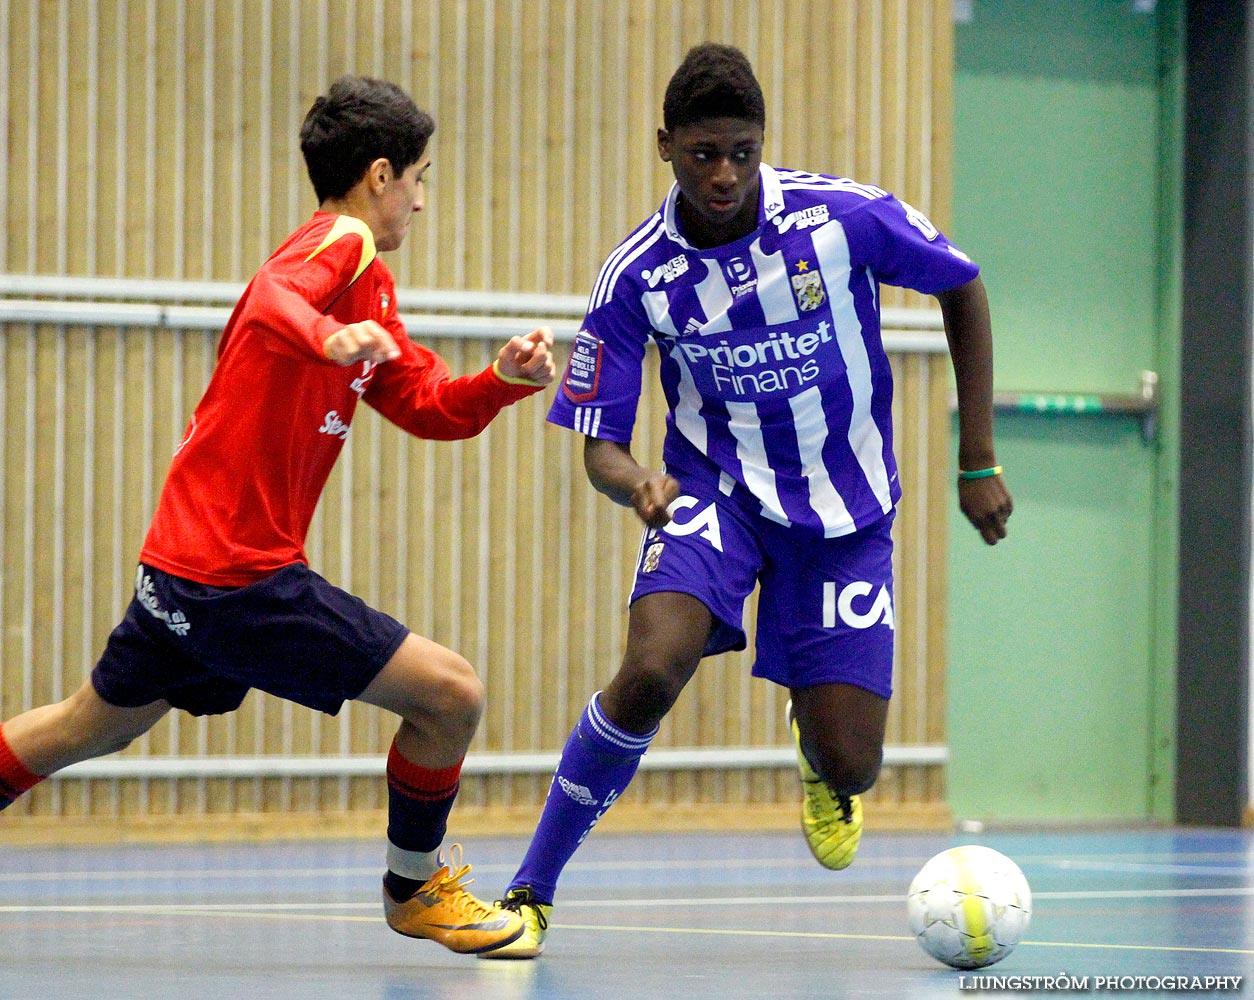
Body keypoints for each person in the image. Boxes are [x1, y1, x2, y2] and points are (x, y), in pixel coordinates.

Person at [0, 75, 555, 957]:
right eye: (419, 176)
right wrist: (322, 339)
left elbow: (425, 404)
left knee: (76, 727)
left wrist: (502, 382)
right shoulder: (340, 242)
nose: (422, 197)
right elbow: (270, 301)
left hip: (180, 571)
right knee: (452, 697)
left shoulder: (371, 293)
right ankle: (415, 891)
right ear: (380, 175)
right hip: (239, 579)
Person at [480, 43, 1013, 959]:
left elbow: (962, 284)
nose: (723, 174)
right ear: (665, 147)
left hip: (845, 514)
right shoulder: (635, 278)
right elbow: (599, 448)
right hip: (713, 495)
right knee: (651, 668)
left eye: (740, 151)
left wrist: (976, 460)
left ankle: (818, 754)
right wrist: (637, 480)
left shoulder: (841, 218)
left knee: (856, 758)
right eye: (701, 155)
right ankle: (530, 891)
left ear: (762, 144)